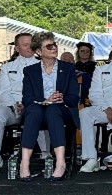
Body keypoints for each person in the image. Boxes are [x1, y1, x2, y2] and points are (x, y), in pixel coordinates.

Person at [19, 32, 80, 181]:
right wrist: (46, 100)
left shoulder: (68, 69)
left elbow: (73, 98)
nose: (54, 48)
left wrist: (60, 98)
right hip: (38, 110)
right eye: (49, 46)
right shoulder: (30, 71)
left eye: (54, 45)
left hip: (61, 110)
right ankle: (24, 163)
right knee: (33, 110)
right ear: (39, 52)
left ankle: (60, 163)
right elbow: (27, 99)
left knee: (53, 110)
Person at [0, 33, 50, 176]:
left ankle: (46, 154)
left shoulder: (45, 65)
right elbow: (2, 92)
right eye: (25, 45)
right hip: (13, 108)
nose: (29, 47)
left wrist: (30, 103)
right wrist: (14, 104)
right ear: (17, 48)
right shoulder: (7, 67)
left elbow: (48, 90)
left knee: (39, 111)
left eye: (31, 44)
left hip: (36, 106)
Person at [78, 34, 112, 172]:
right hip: (105, 110)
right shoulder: (101, 68)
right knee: (85, 113)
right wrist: (107, 110)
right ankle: (91, 158)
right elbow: (94, 94)